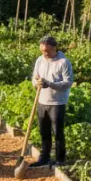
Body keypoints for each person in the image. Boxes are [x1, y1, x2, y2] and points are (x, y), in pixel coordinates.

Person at [29, 35, 74, 168]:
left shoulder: (64, 62)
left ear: (54, 48)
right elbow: (34, 77)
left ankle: (60, 159)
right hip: (42, 100)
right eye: (42, 51)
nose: (44, 53)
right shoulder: (40, 60)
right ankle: (44, 158)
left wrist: (50, 84)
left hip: (57, 102)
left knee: (58, 132)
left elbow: (68, 82)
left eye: (47, 51)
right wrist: (36, 83)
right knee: (44, 131)